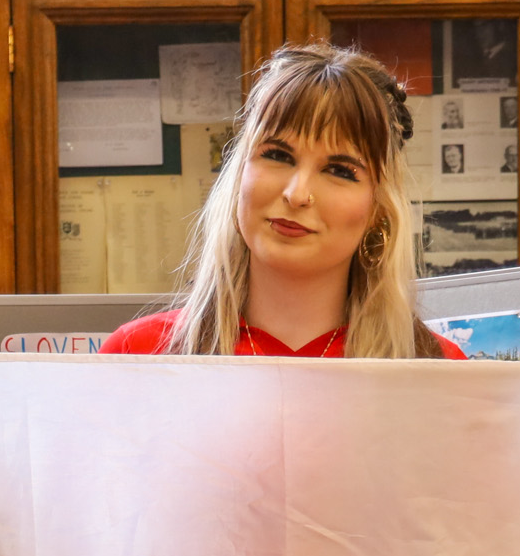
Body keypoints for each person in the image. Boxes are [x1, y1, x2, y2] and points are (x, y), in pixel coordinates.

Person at [101, 44, 467, 361]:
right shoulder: (135, 356)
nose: (297, 194)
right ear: (238, 175)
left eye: (339, 171)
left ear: (378, 210)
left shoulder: (440, 371)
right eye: (277, 155)